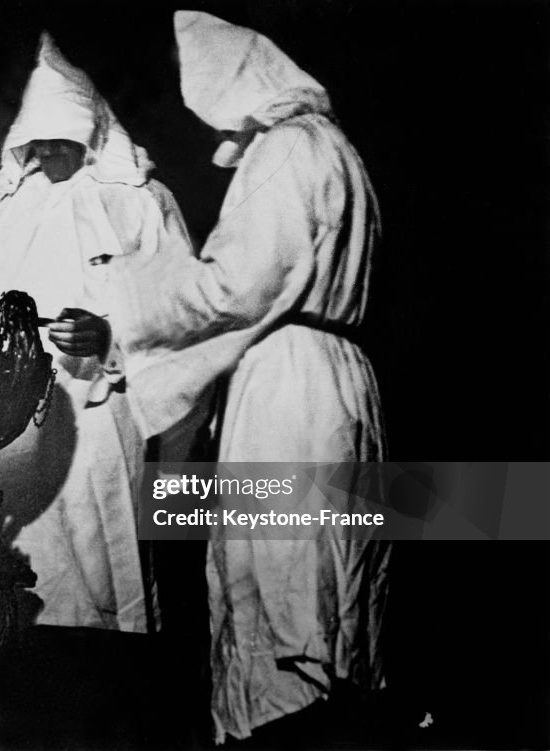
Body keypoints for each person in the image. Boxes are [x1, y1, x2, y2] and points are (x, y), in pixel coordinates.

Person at [102, 11, 390, 743]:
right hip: (341, 379)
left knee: (280, 581)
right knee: (329, 573)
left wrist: (132, 299)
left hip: (289, 385)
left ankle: (284, 727)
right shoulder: (340, 152)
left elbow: (235, 285)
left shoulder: (286, 150)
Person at [0, 33, 194, 633]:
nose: (46, 152)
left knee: (101, 563)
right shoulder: (11, 212)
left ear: (91, 132)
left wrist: (108, 336)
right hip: (16, 418)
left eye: (59, 137)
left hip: (102, 410)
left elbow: (183, 311)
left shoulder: (142, 203)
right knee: (24, 560)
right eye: (35, 140)